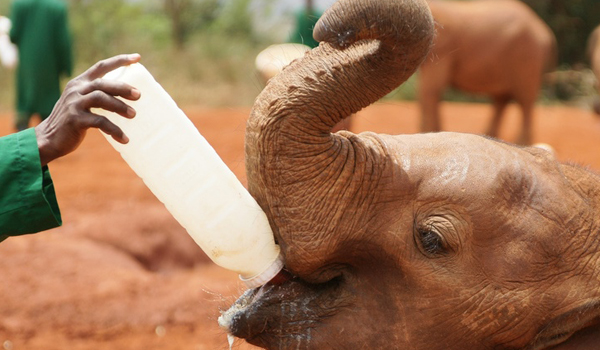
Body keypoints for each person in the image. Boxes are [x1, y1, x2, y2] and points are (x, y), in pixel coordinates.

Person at [0, 53, 141, 243]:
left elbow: (14, 33)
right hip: (48, 63)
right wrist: (43, 137)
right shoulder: (56, 20)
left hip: (27, 63)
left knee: (27, 94)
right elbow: (62, 39)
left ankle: (23, 119)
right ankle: (42, 115)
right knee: (45, 95)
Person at [9, 0, 73, 131]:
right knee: (49, 104)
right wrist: (66, 67)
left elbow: (13, 35)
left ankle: (22, 125)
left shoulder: (19, 5)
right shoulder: (57, 8)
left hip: (27, 65)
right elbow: (63, 42)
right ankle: (49, 132)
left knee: (25, 100)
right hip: (50, 67)